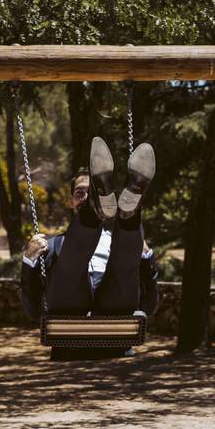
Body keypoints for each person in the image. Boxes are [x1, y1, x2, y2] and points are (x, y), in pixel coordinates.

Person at [20, 137, 159, 360]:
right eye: (80, 193)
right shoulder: (53, 246)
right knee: (70, 263)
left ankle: (130, 209)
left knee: (124, 264)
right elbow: (32, 310)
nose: (83, 197)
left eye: (90, 192)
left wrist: (146, 257)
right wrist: (29, 262)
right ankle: (100, 208)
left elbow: (149, 305)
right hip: (68, 310)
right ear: (71, 202)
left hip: (115, 310)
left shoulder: (124, 244)